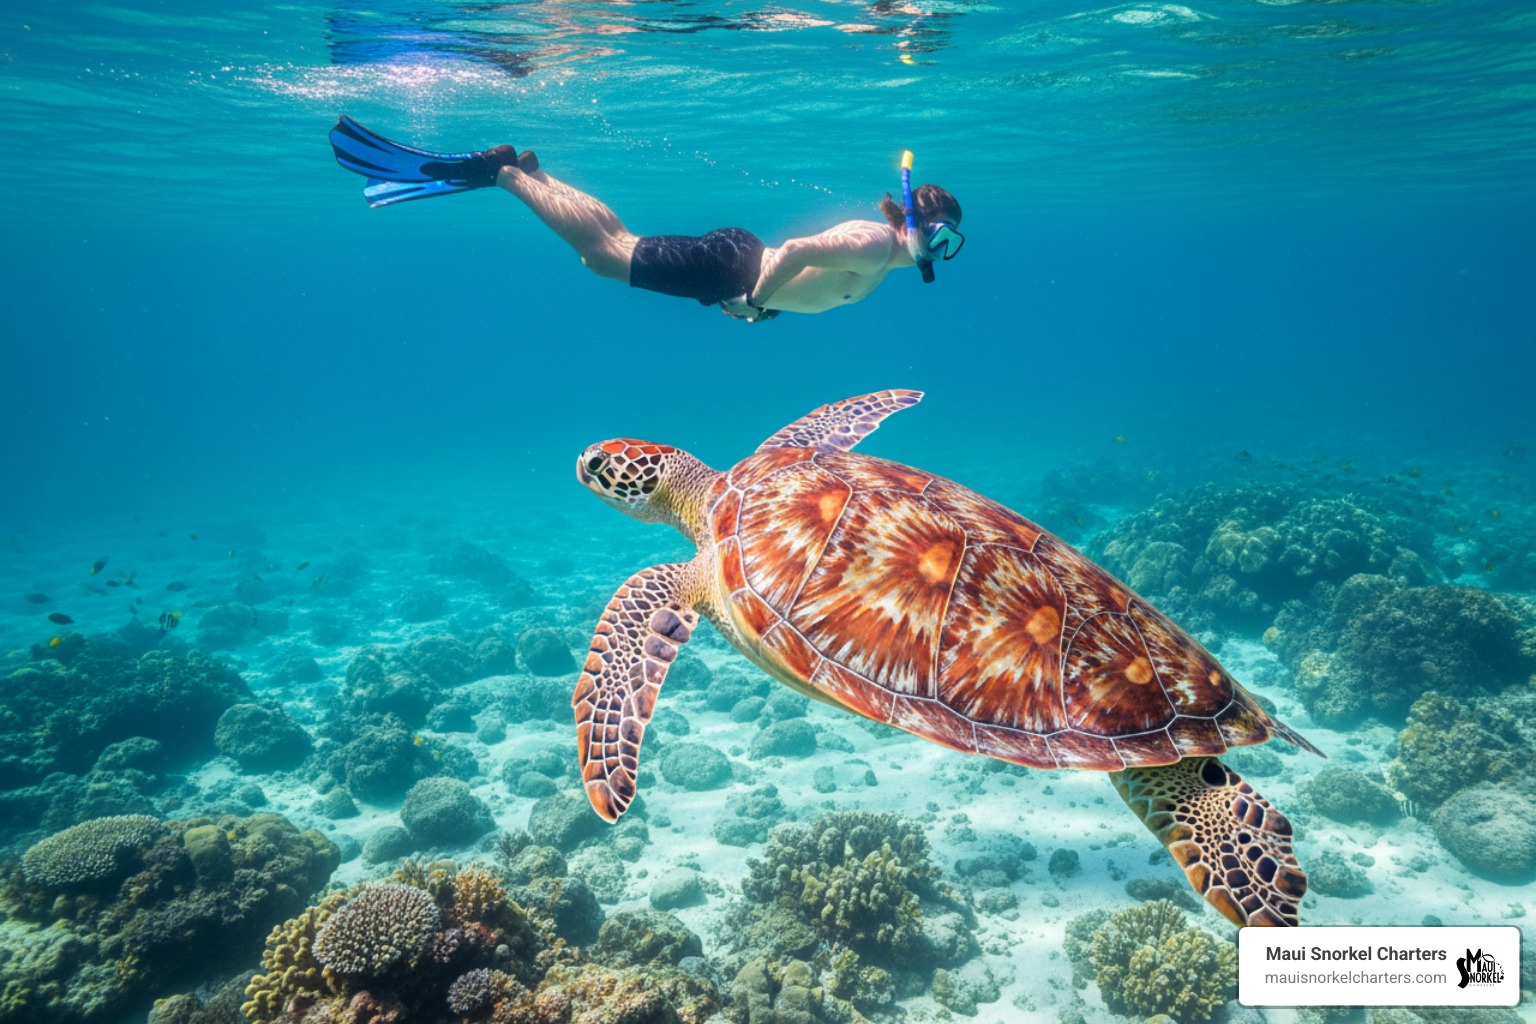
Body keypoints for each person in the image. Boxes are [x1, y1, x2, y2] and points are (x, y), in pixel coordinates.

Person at [329, 116, 963, 322]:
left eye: (949, 243)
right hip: (735, 268)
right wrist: (751, 298)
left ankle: (534, 174)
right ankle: (505, 176)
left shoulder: (886, 258)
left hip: (736, 268)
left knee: (613, 244)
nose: (940, 248)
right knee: (602, 256)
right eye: (938, 234)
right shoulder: (875, 241)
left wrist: (759, 303)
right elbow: (797, 249)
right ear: (912, 218)